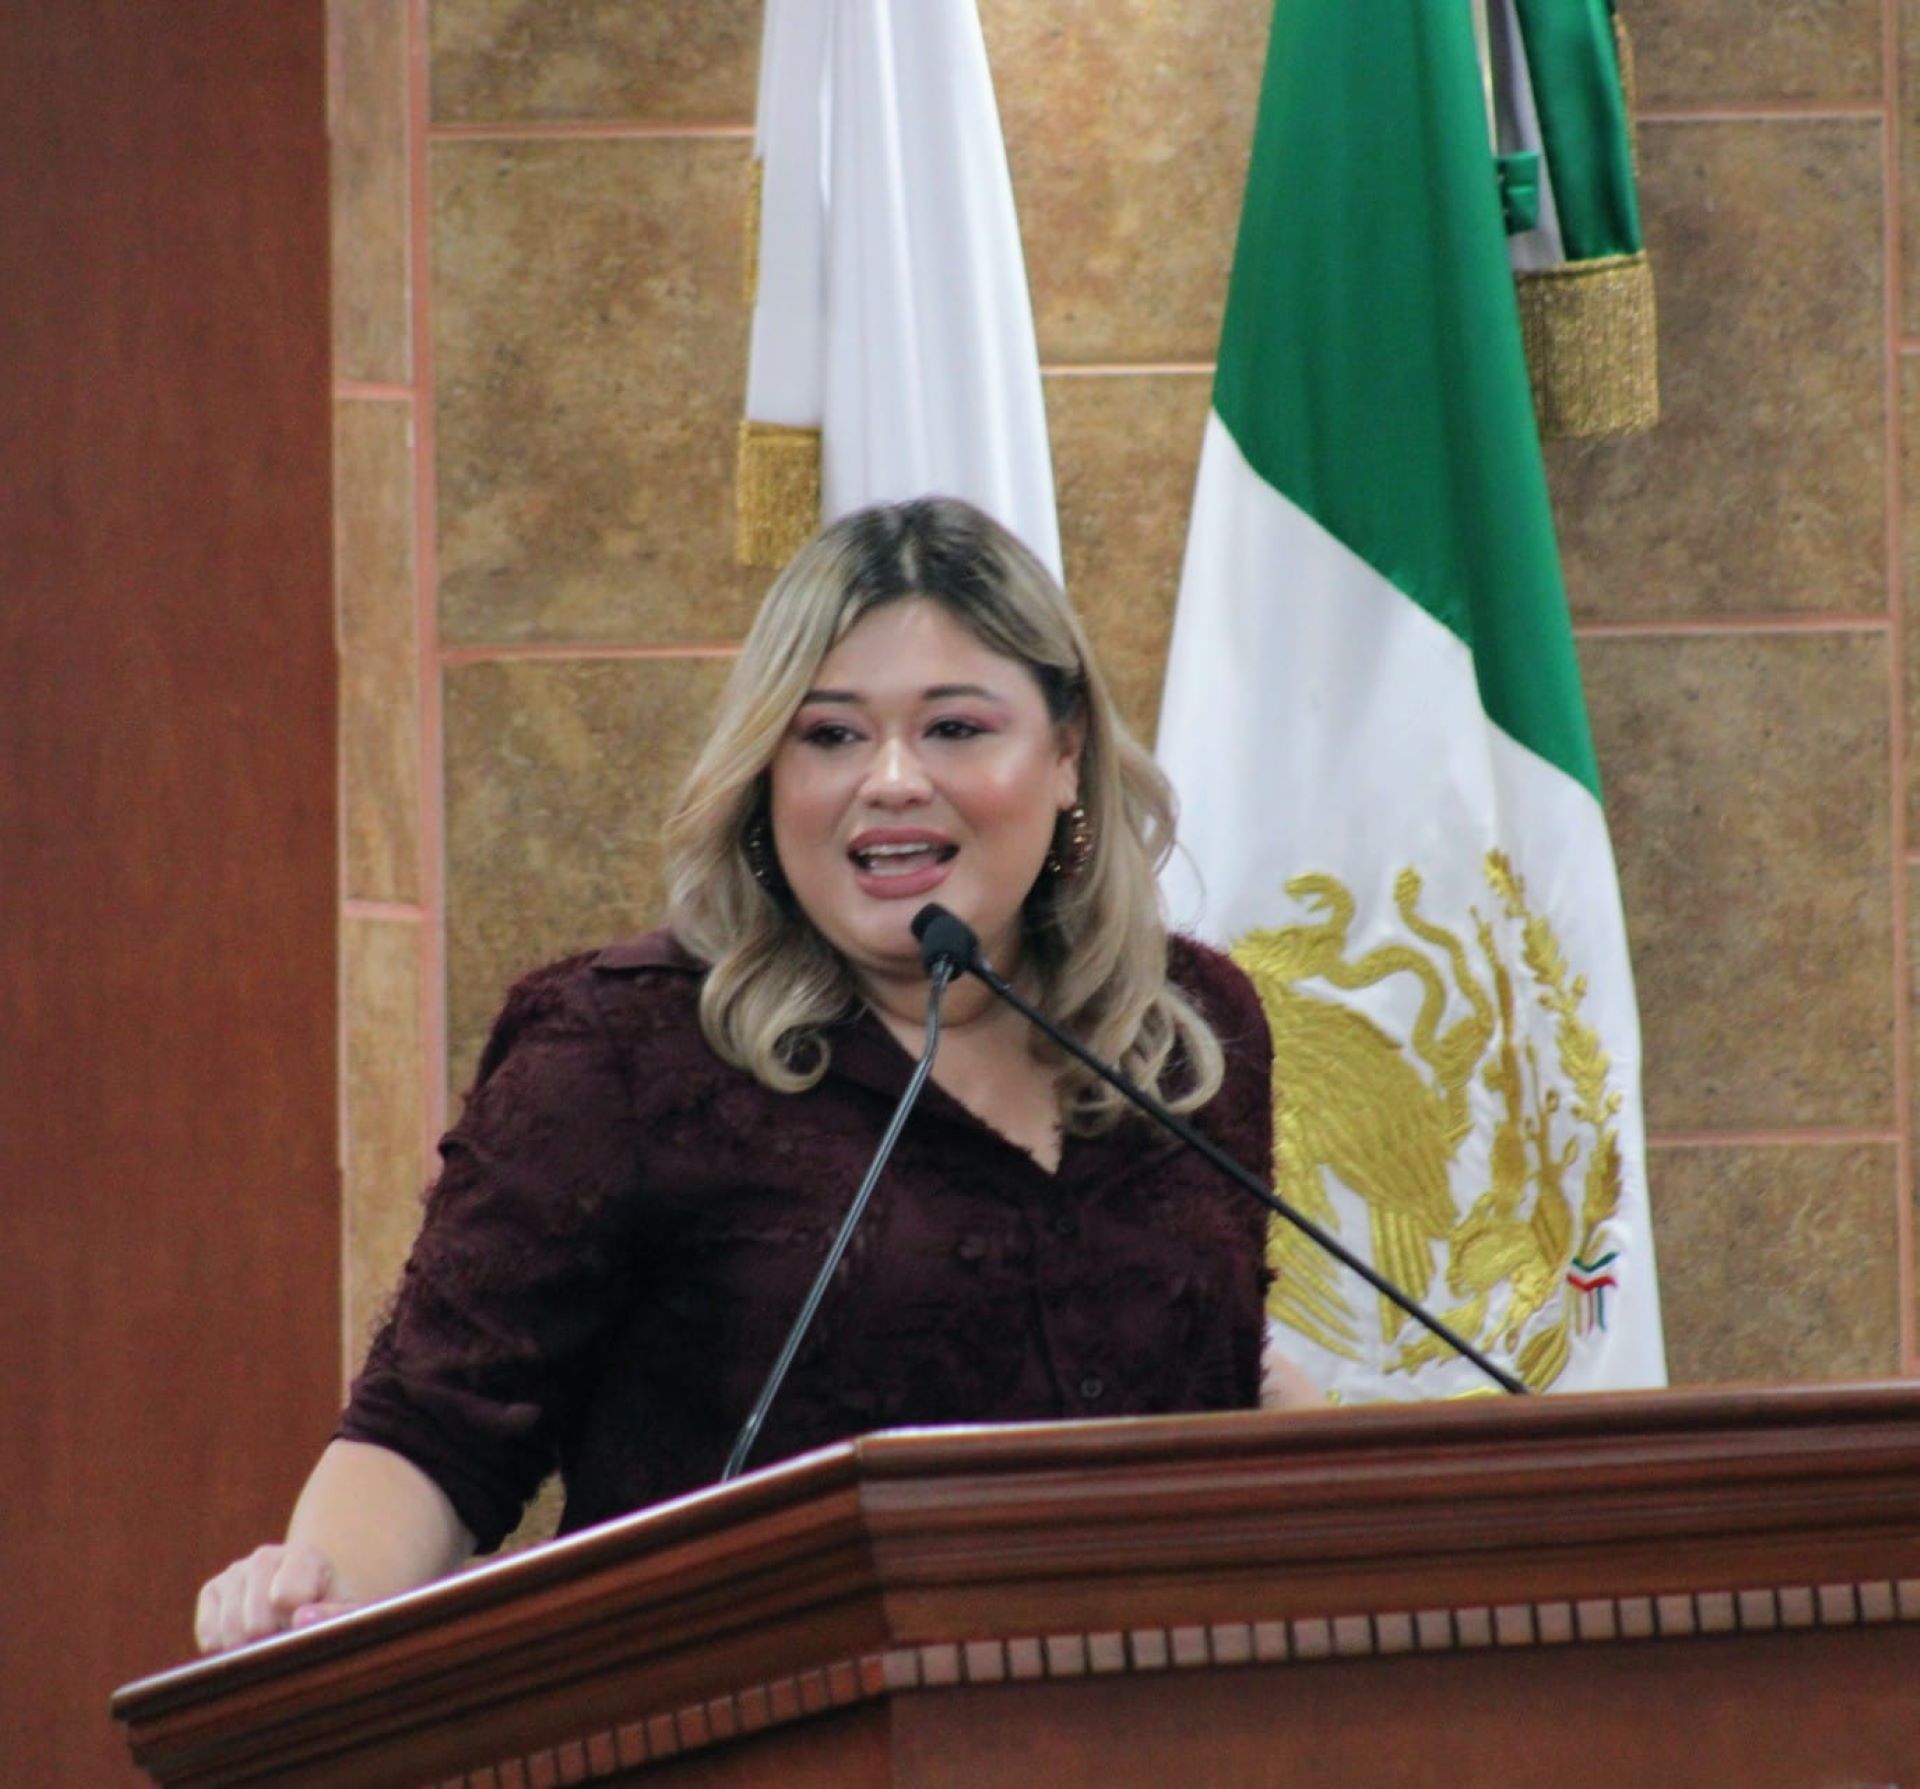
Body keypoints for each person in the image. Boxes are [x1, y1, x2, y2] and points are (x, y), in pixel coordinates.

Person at [193, 496, 1317, 1655]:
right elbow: (436, 1428)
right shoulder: (622, 1051)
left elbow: (1218, 1372)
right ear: (767, 779)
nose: (889, 778)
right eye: (829, 735)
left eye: (956, 728)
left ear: (1068, 752)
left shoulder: (1186, 1036)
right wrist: (313, 1598)